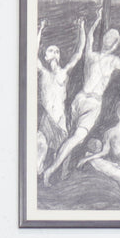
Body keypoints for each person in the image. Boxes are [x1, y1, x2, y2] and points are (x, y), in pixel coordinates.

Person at [40, 8, 120, 185]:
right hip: (92, 104)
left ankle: (58, 171)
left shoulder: (91, 55)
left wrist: (94, 21)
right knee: (74, 139)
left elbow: (88, 40)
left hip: (79, 99)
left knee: (68, 138)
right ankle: (51, 170)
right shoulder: (113, 61)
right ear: (115, 45)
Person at [36, 17, 84, 171]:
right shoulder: (43, 72)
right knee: (40, 146)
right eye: (51, 50)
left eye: (57, 51)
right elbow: (32, 53)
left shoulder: (64, 72)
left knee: (61, 153)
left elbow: (79, 52)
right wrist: (40, 30)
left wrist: (82, 27)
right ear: (46, 57)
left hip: (60, 120)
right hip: (47, 120)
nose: (55, 53)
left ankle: (59, 177)